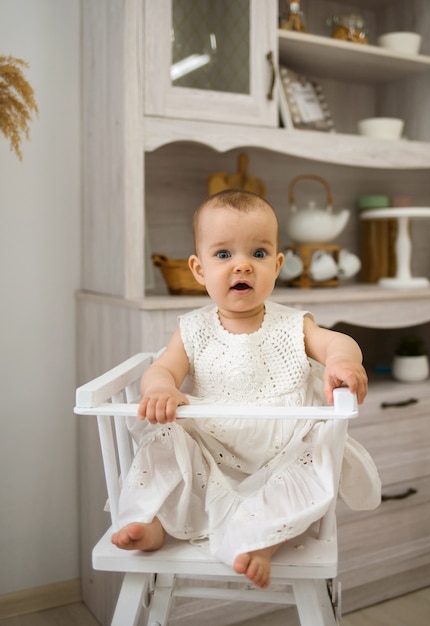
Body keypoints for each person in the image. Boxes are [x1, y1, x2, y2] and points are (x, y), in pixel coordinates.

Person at [111, 189, 381, 589]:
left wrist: (344, 361)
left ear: (277, 264)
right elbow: (163, 368)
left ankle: (260, 541)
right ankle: (151, 522)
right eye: (223, 255)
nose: (243, 266)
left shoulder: (293, 324)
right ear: (199, 269)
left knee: (316, 460)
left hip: (283, 451)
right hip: (210, 452)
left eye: (257, 254)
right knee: (164, 439)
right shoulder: (193, 329)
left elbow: (335, 341)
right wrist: (161, 388)